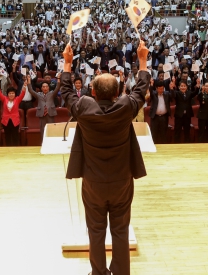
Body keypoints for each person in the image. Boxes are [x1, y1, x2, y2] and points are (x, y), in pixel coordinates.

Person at [61, 40, 150, 275]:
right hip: (121, 181)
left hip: (93, 183)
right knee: (120, 230)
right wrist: (142, 60)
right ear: (119, 91)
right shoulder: (125, 108)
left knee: (96, 230)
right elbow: (141, 89)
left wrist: (67, 64)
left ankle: (98, 273)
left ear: (92, 92)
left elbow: (67, 92)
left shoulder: (84, 109)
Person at [27, 73, 61, 142]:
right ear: (41, 88)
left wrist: (58, 79)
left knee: (51, 129)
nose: (45, 88)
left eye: (46, 87)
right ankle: (43, 143)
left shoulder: (52, 93)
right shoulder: (38, 95)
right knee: (42, 129)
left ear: (48, 87)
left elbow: (57, 88)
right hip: (42, 114)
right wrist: (29, 81)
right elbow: (31, 90)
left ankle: (51, 143)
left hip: (50, 113)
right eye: (43, 87)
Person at [0, 82, 27, 146]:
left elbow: (23, 93)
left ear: (15, 94)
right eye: (10, 93)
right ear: (7, 94)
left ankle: (15, 152)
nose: (11, 94)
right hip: (6, 121)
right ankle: (8, 151)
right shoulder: (4, 99)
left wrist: (24, 85)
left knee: (15, 136)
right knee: (7, 136)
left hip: (15, 121)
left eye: (13, 93)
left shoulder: (17, 99)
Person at [149, 78, 172, 143]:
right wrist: (151, 84)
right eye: (159, 89)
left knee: (163, 134)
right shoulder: (154, 94)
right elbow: (150, 93)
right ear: (156, 88)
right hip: (155, 117)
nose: (161, 90)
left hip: (164, 117)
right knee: (154, 133)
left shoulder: (167, 94)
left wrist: (172, 88)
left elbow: (173, 96)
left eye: (162, 89)